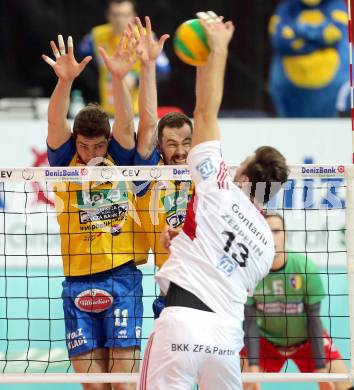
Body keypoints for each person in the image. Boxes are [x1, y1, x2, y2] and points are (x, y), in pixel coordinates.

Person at [138, 12, 289, 390]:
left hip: (182, 324)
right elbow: (222, 260)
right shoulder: (268, 245)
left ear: (243, 176)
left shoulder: (217, 188)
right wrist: (187, 239)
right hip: (225, 341)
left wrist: (216, 51)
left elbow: (204, 113)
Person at [42, 20, 168, 389]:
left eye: (98, 146)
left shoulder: (120, 157)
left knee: (124, 382)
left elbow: (130, 122)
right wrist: (64, 81)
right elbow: (54, 121)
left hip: (122, 276)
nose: (91, 153)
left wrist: (118, 77)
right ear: (75, 141)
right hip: (76, 278)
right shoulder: (65, 161)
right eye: (85, 146)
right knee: (93, 385)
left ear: (107, 141)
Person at [242, 213, 353, 390]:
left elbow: (314, 319)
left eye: (276, 231)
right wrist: (253, 368)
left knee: (343, 383)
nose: (271, 237)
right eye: (266, 231)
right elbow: (250, 323)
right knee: (235, 380)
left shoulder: (305, 267)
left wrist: (321, 369)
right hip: (266, 341)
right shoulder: (250, 271)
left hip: (307, 340)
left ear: (286, 235)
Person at [133, 112, 195, 319]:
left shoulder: (204, 175)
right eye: (172, 144)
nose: (181, 151)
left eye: (187, 143)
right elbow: (147, 127)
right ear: (159, 148)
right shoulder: (148, 176)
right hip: (169, 292)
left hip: (206, 287)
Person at [79, 0, 171, 116]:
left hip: (138, 111)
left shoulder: (145, 37)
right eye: (116, 15)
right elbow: (81, 58)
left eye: (125, 15)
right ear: (108, 15)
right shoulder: (96, 36)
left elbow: (164, 70)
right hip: (107, 111)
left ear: (133, 16)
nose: (120, 20)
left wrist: (136, 80)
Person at [269, 0, 349, 117]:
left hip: (331, 92)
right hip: (291, 92)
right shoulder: (287, 7)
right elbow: (279, 39)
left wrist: (300, 29)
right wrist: (316, 43)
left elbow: (335, 33)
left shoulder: (336, 5)